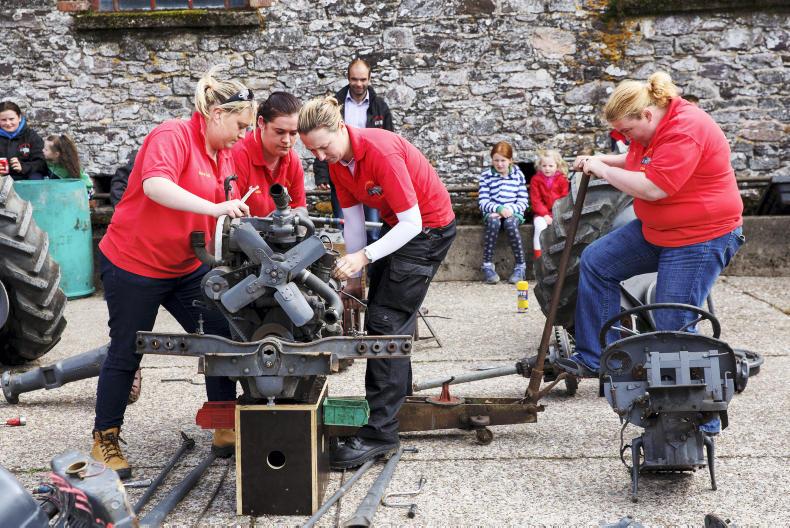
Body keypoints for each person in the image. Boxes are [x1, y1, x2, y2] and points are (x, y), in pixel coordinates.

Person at [91, 66, 255, 479]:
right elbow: (155, 186)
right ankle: (104, 439)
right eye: (240, 125)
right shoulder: (173, 135)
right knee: (127, 350)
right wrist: (215, 208)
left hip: (185, 266)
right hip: (134, 263)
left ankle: (224, 424)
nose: (243, 134)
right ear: (217, 113)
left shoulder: (224, 155)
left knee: (221, 337)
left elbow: (227, 213)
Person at [558, 72, 744, 398]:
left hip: (700, 236)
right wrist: (602, 159)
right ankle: (599, 358)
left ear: (646, 114)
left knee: (672, 320)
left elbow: (654, 188)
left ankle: (698, 411)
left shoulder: (685, 130)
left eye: (627, 131)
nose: (625, 137)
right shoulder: (652, 130)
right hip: (659, 230)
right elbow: (637, 160)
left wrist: (603, 170)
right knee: (597, 262)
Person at [298, 96, 455, 469]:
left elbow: (413, 223)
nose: (319, 157)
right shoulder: (339, 163)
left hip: (427, 230)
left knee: (386, 324)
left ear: (341, 128)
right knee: (387, 318)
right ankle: (398, 404)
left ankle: (379, 434)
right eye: (312, 151)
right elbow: (353, 222)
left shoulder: (380, 151)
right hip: (398, 226)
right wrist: (355, 274)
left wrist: (364, 257)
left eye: (323, 146)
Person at [313, 58, 394, 242]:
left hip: (371, 176)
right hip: (341, 173)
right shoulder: (334, 106)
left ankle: (371, 260)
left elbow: (389, 142)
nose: (359, 84)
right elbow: (322, 139)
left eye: (363, 79)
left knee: (373, 229)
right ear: (348, 78)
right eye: (354, 79)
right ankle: (348, 259)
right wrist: (322, 174)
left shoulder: (380, 107)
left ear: (369, 78)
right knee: (343, 227)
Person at [232, 92, 307, 217]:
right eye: (279, 132)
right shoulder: (239, 155)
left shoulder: (293, 161)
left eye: (293, 133)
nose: (287, 140)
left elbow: (299, 209)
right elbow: (229, 213)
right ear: (261, 122)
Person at [477, 141, 529, 284]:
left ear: (510, 160)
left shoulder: (518, 175)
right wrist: (499, 209)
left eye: (503, 160)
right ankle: (487, 265)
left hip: (513, 212)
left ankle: (520, 266)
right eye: (496, 160)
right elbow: (483, 201)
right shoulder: (486, 176)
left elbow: (523, 201)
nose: (499, 164)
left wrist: (509, 210)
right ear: (492, 160)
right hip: (493, 212)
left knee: (510, 224)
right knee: (493, 222)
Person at [529, 149, 570, 260]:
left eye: (551, 166)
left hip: (558, 213)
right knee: (539, 228)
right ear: (540, 166)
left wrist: (557, 214)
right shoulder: (535, 180)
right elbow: (536, 200)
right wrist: (545, 215)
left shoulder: (562, 179)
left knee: (561, 231)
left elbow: (564, 198)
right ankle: (538, 258)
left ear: (557, 166)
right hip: (542, 214)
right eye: (544, 166)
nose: (547, 168)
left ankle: (559, 258)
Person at [0, 101, 47, 180]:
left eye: (11, 119)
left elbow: (42, 163)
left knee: (36, 178)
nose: (8, 123)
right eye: (3, 120)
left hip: (26, 176)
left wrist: (23, 167)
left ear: (19, 118)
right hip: (2, 178)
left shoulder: (31, 136)